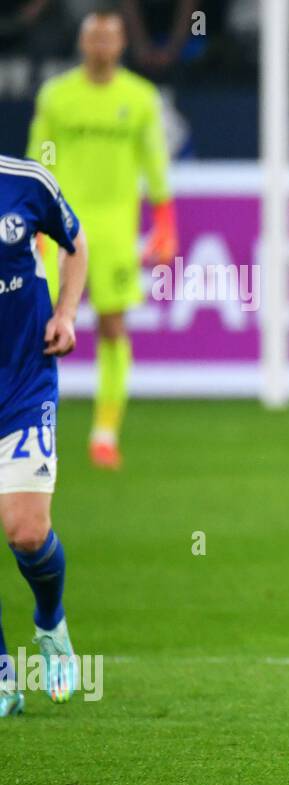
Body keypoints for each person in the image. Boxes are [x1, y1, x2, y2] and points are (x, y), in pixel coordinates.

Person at [27, 9, 178, 470]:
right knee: (36, 327)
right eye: (93, 37)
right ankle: (30, 427)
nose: (100, 45)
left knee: (112, 326)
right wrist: (33, 217)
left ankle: (105, 432)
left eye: (109, 37)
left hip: (114, 230)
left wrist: (165, 218)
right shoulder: (57, 96)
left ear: (121, 45)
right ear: (82, 42)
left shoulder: (140, 98)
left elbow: (154, 161)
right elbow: (40, 153)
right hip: (59, 226)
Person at [0, 155, 89, 717]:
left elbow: (74, 243)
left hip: (25, 380)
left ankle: (50, 622)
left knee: (27, 531)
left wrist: (65, 312)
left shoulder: (27, 182)